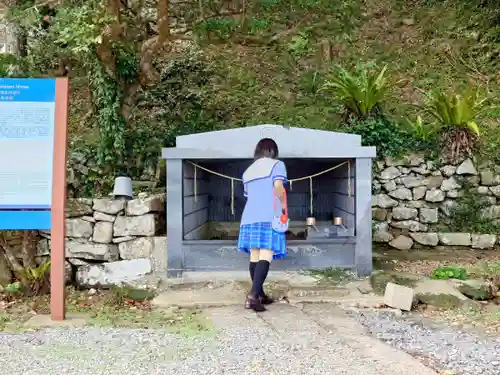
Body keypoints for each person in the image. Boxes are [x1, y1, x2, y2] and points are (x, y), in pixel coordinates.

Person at [237, 138, 288, 312]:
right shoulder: (277, 165)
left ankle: (260, 295)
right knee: (266, 254)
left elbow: (249, 195)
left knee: (254, 255)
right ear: (273, 151)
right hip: (268, 216)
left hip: (249, 216)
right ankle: (252, 296)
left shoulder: (248, 171)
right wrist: (282, 206)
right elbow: (278, 187)